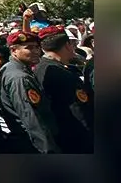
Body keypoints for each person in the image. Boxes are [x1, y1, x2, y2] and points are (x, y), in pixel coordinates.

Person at [0, 30, 59, 153]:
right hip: (34, 144)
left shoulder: (9, 68)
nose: (36, 51)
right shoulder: (20, 77)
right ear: (14, 51)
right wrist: (48, 150)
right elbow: (32, 119)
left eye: (37, 47)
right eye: (29, 48)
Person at [33, 25, 93, 153]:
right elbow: (79, 111)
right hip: (77, 138)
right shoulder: (62, 74)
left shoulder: (40, 68)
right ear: (67, 45)